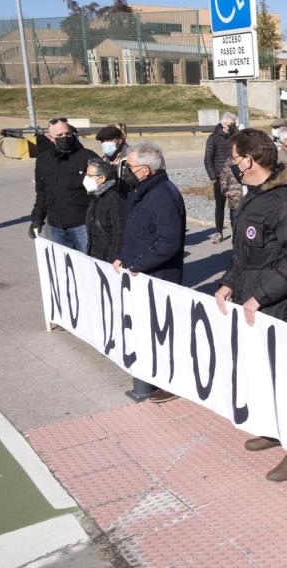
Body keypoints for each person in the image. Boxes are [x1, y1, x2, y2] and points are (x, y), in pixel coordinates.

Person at [215, 128, 287, 483]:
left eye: (235, 157)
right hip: (254, 302)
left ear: (249, 160)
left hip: (280, 306)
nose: (232, 164)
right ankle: (275, 429)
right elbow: (244, 253)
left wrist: (262, 295)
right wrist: (229, 282)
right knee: (266, 374)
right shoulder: (255, 197)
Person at [115, 142, 186, 404]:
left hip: (159, 277)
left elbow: (168, 242)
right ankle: (149, 378)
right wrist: (124, 257)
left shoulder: (164, 196)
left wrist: (137, 264)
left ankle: (170, 381)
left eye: (130, 167)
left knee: (162, 332)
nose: (125, 171)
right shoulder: (143, 191)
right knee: (146, 330)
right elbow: (138, 233)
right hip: (142, 273)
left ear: (144, 170)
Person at [29, 120, 99, 250]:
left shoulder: (87, 156)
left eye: (67, 134)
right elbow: (42, 193)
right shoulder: (43, 160)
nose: (64, 137)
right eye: (59, 135)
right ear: (50, 137)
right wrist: (37, 218)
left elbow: (103, 191)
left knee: (89, 259)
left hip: (83, 225)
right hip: (55, 227)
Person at [204, 112, 238, 244]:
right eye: (231, 124)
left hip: (235, 177)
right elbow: (208, 158)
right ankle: (219, 232)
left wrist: (236, 133)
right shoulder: (213, 138)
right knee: (220, 206)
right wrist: (213, 176)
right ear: (224, 124)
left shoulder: (235, 137)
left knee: (234, 205)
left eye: (234, 124)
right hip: (219, 177)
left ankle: (236, 232)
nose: (233, 126)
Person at [83, 158, 125, 263]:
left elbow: (120, 233)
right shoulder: (95, 196)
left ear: (102, 178)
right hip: (94, 254)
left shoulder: (113, 199)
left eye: (89, 176)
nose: (86, 178)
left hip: (107, 259)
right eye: (86, 174)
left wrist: (114, 258)